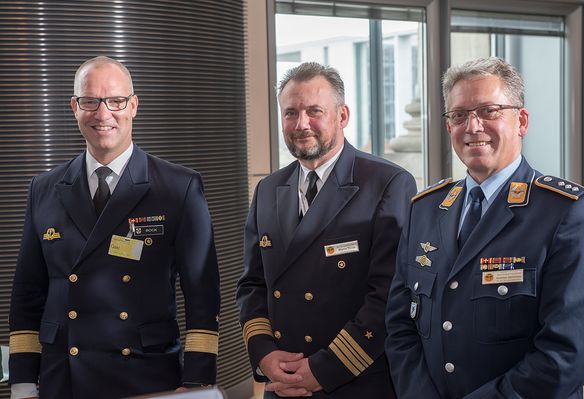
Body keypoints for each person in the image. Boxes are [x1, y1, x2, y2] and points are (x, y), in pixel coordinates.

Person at [385, 57, 584, 398]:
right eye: (459, 115)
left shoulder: (566, 213)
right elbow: (399, 326)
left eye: (489, 110)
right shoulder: (424, 210)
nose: (473, 126)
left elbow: (566, 353)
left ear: (522, 121)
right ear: (448, 126)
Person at [8, 56, 220, 398]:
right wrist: (22, 381)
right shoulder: (44, 188)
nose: (103, 114)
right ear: (74, 107)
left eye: (115, 101)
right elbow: (27, 294)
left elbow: (202, 296)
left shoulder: (178, 187)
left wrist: (197, 380)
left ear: (133, 106)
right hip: (62, 376)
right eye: (90, 101)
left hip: (145, 374)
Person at [236, 62, 416, 398]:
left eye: (314, 111)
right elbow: (252, 285)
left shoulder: (387, 183)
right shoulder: (268, 189)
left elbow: (390, 296)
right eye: (290, 113)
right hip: (284, 383)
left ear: (342, 115)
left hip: (353, 381)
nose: (301, 124)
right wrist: (265, 355)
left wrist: (323, 370)